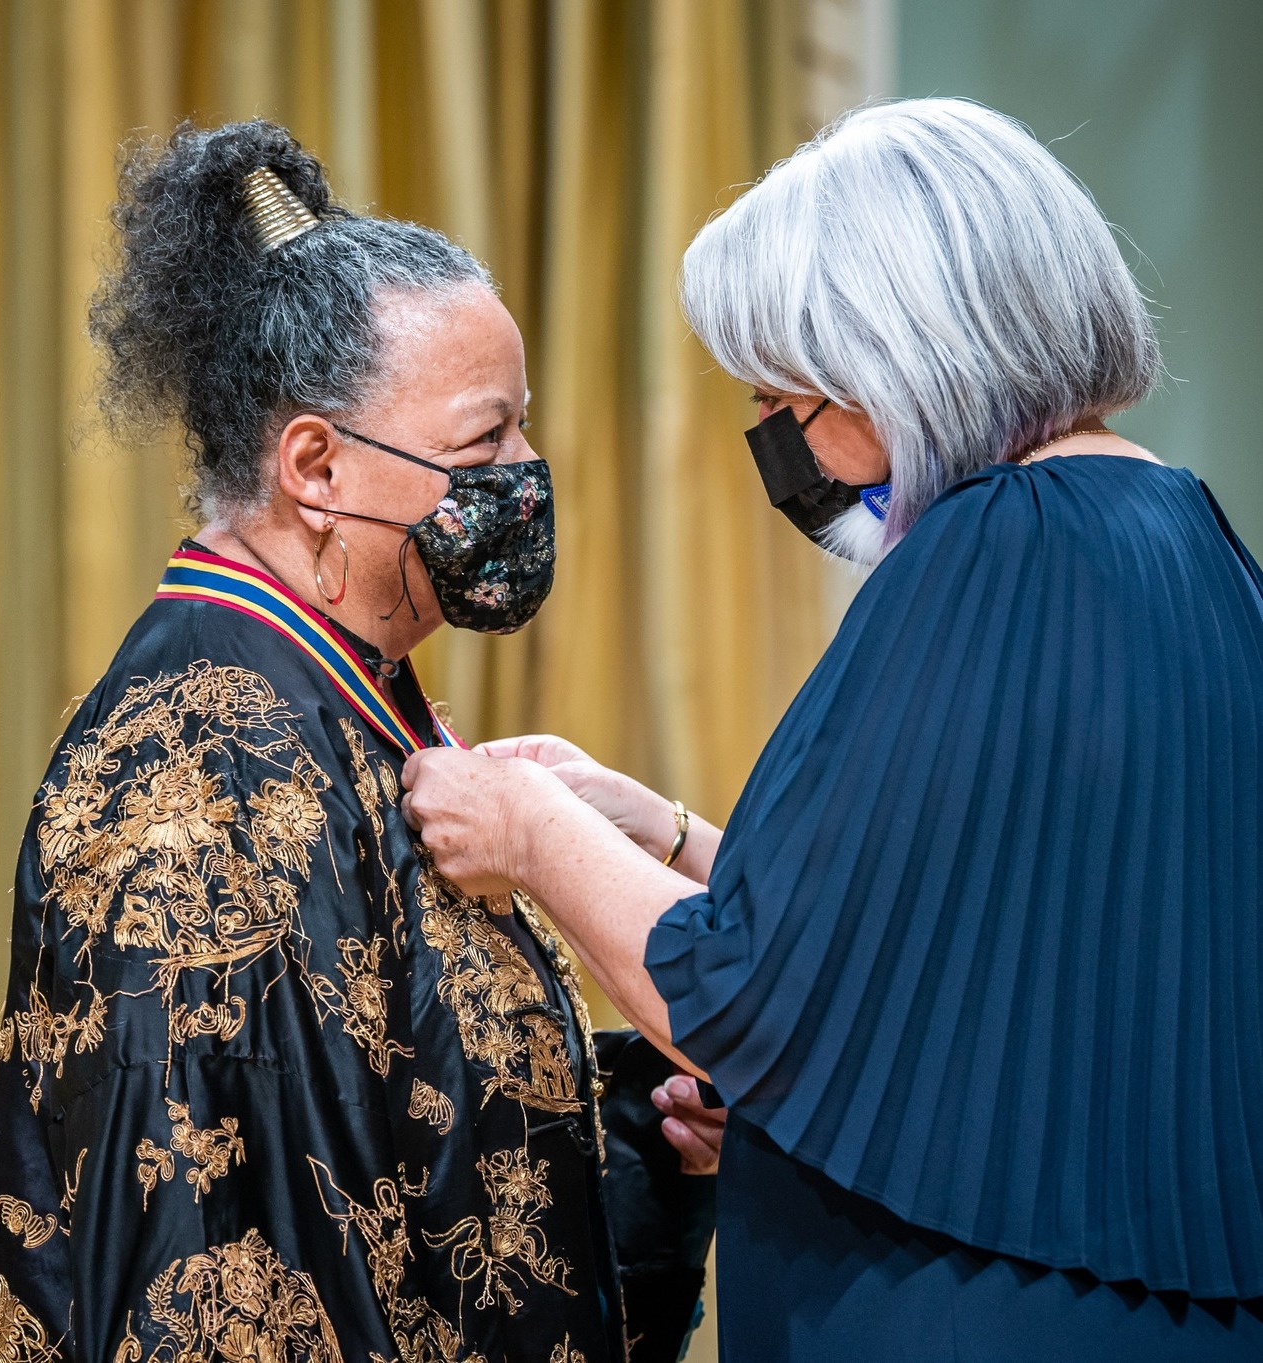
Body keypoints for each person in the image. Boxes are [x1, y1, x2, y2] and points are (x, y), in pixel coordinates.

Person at [401, 99, 1263, 1361]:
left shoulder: (988, 549)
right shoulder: (1186, 540)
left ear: (896, 358)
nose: (775, 441)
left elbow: (749, 1000)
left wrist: (528, 831)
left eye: (783, 397)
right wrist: (671, 835)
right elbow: (960, 940)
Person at [0, 120, 720, 1363]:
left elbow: (394, 1114)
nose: (525, 472)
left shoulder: (342, 689)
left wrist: (633, 1125)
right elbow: (218, 1270)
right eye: (483, 441)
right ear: (315, 465)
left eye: (521, 431)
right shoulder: (200, 758)